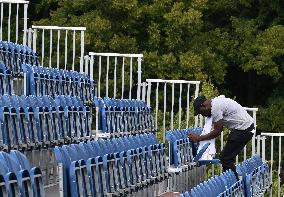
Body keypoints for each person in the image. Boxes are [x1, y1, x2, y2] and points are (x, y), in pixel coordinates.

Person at [189, 95, 255, 179]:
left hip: (243, 129)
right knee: (227, 158)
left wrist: (198, 138)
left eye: (201, 112)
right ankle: (233, 182)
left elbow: (217, 131)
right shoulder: (215, 102)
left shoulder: (215, 109)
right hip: (245, 128)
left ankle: (233, 184)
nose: (203, 115)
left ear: (203, 106)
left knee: (225, 159)